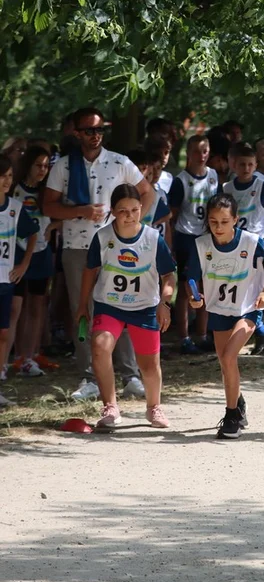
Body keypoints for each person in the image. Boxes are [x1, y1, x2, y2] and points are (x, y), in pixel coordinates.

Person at [42, 106, 155, 402]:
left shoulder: (119, 162)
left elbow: (147, 193)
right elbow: (48, 206)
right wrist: (80, 211)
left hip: (116, 246)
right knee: (84, 311)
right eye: (89, 130)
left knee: (124, 306)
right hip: (77, 246)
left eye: (100, 129)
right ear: (76, 132)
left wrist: (131, 224)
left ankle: (130, 374)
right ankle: (89, 375)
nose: (95, 135)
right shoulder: (64, 166)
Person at [75, 184, 175, 431]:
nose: (129, 216)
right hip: (110, 305)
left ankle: (154, 407)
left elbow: (169, 275)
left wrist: (165, 303)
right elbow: (90, 271)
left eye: (134, 210)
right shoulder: (103, 237)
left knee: (149, 364)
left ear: (141, 209)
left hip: (145, 307)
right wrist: (82, 305)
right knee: (100, 346)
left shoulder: (153, 239)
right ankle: (110, 406)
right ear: (113, 211)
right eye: (123, 211)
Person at [188, 193, 264, 439]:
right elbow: (192, 278)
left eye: (225, 222)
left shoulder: (251, 241)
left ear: (235, 220)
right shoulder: (201, 245)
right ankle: (239, 404)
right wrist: (194, 296)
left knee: (228, 356)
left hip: (248, 309)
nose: (218, 227)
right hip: (219, 309)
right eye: (214, 221)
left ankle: (231, 416)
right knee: (226, 364)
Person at [6, 146, 58, 379]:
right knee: (15, 307)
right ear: (28, 165)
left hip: (41, 252)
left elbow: (64, 215)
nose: (42, 170)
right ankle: (11, 357)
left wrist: (53, 227)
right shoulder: (14, 189)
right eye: (38, 165)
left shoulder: (49, 191)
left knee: (37, 306)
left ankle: (29, 356)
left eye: (46, 166)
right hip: (15, 253)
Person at [169, 134, 219, 353]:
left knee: (206, 285)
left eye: (205, 150)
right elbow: (172, 215)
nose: (202, 155)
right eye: (197, 151)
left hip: (208, 238)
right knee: (186, 288)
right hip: (186, 237)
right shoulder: (181, 181)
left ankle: (203, 334)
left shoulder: (214, 176)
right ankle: (184, 337)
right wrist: (170, 246)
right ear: (188, 154)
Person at [0, 156, 40, 405]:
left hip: (5, 279)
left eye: (10, 176)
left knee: (3, 332)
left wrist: (23, 264)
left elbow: (33, 233)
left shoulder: (14, 208)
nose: (7, 181)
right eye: (2, 176)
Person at [222, 142, 264, 240]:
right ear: (234, 165)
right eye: (242, 164)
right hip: (235, 238)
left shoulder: (262, 185)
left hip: (257, 237)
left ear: (255, 166)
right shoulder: (227, 188)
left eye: (250, 164)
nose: (246, 168)